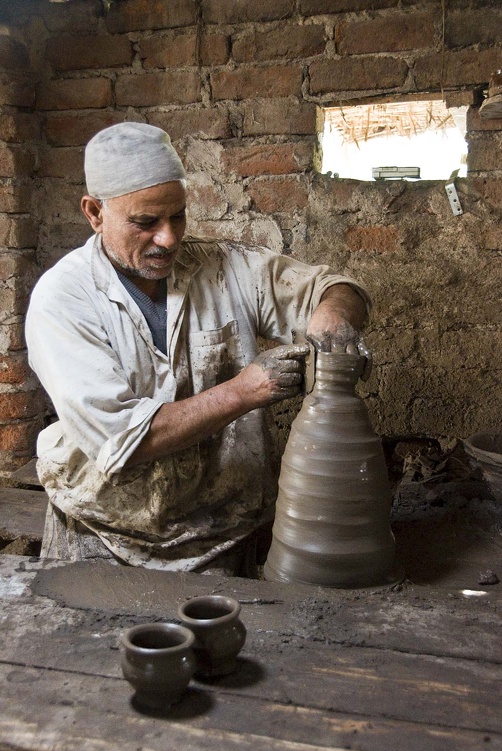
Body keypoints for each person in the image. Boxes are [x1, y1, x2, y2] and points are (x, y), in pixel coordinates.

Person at [26, 122, 371, 575]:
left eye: (178, 216)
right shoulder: (64, 300)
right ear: (94, 212)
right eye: (146, 222)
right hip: (102, 533)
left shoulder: (225, 268)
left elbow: (335, 287)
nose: (168, 238)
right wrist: (244, 390)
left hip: (221, 529)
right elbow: (125, 440)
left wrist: (333, 315)